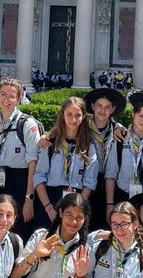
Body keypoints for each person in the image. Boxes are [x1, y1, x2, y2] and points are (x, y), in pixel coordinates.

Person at [0, 78, 42, 237]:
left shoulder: (27, 124)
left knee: (18, 229)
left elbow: (33, 163)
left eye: (12, 96)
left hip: (21, 181)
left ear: (19, 99)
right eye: (3, 94)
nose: (6, 99)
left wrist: (29, 198)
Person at [33, 97, 98, 229]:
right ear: (62, 115)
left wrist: (78, 207)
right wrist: (49, 208)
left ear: (83, 116)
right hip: (50, 199)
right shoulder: (50, 142)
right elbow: (39, 177)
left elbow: (90, 181)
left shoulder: (88, 144)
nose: (73, 119)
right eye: (69, 114)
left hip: (77, 198)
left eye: (78, 115)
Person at [105, 91, 143, 219]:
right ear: (133, 114)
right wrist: (110, 204)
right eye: (140, 115)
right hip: (124, 198)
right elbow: (111, 173)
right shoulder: (120, 139)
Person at [82, 86, 127, 225]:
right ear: (92, 107)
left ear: (113, 110)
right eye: (99, 106)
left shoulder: (117, 130)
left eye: (107, 107)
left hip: (110, 185)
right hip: (86, 183)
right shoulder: (82, 128)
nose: (103, 110)